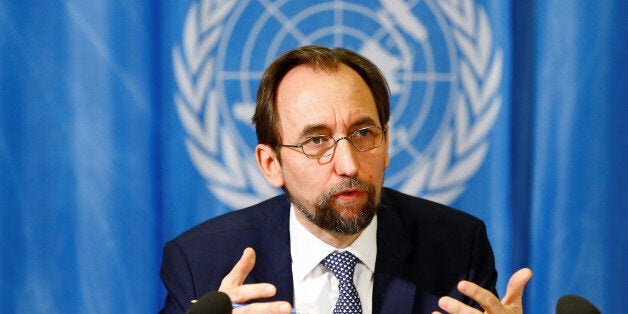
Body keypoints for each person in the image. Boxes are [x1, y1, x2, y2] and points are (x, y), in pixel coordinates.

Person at [159, 45, 532, 314]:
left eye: (363, 133)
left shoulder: (456, 247)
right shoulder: (201, 265)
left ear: (386, 145)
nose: (349, 165)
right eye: (317, 140)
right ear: (271, 163)